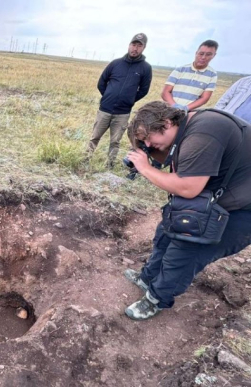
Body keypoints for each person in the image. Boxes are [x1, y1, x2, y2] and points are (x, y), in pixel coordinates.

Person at [123, 101, 251, 320]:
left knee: (185, 252)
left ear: (167, 123)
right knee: (165, 232)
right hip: (213, 197)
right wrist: (151, 153)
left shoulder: (204, 132)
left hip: (240, 209)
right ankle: (147, 278)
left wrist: (145, 168)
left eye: (148, 138)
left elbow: (188, 187)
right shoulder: (187, 129)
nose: (147, 144)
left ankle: (156, 299)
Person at [87, 33, 152, 168]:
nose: (135, 48)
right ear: (129, 45)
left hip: (122, 113)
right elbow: (101, 82)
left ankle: (109, 164)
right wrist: (108, 97)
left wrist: (129, 100)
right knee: (94, 137)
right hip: (105, 109)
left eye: (139, 46)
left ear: (144, 48)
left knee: (115, 141)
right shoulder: (115, 63)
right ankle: (86, 159)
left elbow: (144, 90)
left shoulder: (145, 68)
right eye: (133, 45)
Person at [162, 40, 218, 111]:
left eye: (208, 54)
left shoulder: (212, 75)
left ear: (214, 55)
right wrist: (174, 106)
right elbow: (165, 92)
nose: (203, 57)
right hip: (169, 110)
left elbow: (205, 98)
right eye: (201, 53)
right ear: (196, 53)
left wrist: (186, 108)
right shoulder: (180, 70)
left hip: (189, 113)